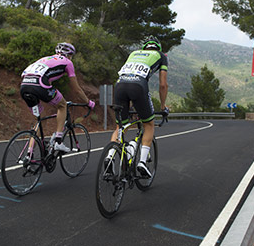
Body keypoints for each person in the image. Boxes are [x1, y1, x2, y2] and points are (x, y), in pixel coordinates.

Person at [106, 36, 169, 178]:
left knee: (121, 126)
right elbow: (163, 85)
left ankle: (109, 158)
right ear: (157, 48)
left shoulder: (133, 53)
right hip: (139, 86)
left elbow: (129, 76)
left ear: (144, 47)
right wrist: (163, 106)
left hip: (120, 86)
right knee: (149, 125)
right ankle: (142, 162)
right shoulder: (161, 56)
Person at [19, 42, 95, 152]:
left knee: (41, 120)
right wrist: (88, 102)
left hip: (24, 86)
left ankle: (28, 154)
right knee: (62, 105)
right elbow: (76, 89)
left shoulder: (45, 59)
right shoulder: (67, 62)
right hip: (39, 84)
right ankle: (58, 141)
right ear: (69, 55)